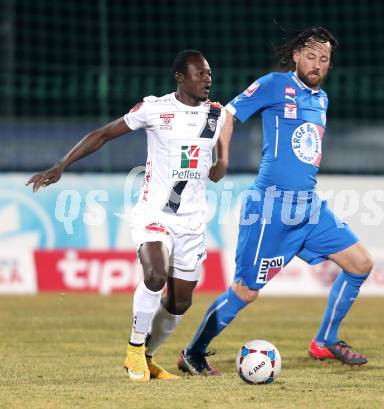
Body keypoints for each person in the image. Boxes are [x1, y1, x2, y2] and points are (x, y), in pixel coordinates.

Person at [27, 49, 233, 381]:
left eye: (209, 73)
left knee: (180, 302)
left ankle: (147, 357)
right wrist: (61, 165)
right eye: (200, 73)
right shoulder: (155, 108)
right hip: (154, 213)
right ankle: (134, 349)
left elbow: (218, 170)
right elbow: (103, 135)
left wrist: (219, 165)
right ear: (180, 77)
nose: (207, 79)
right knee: (155, 274)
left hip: (192, 221)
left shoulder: (217, 115)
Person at [178, 27, 373, 375]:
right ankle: (193, 351)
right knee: (245, 292)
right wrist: (222, 159)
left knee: (360, 264)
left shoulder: (322, 99)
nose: (317, 64)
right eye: (311, 56)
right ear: (297, 55)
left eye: (324, 59)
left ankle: (325, 341)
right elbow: (229, 113)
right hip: (270, 209)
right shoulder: (273, 85)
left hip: (309, 209)